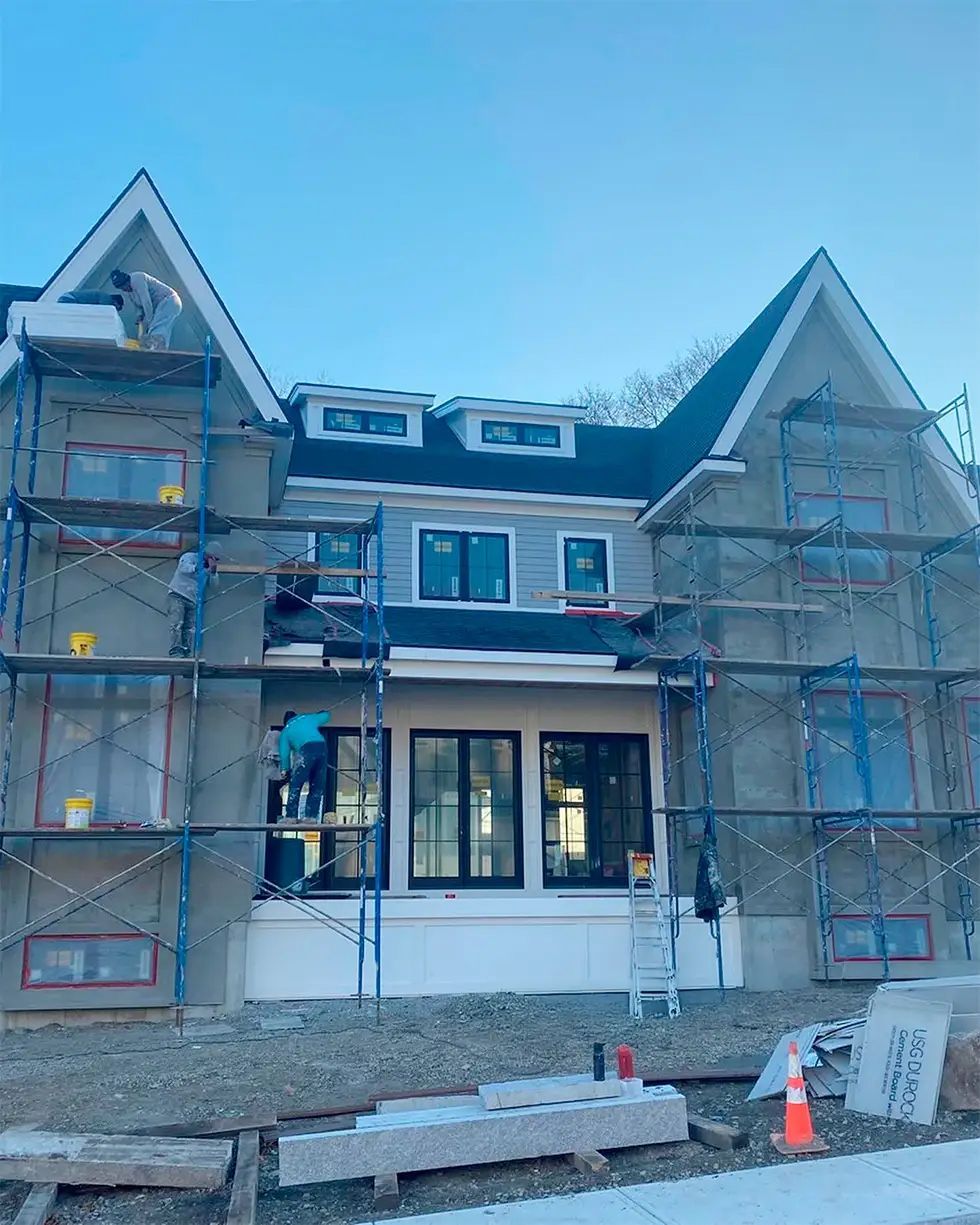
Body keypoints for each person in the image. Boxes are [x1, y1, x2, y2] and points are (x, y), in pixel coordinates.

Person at [167, 543, 221, 657]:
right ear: (207, 554)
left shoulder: (209, 568)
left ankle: (185, 651)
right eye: (212, 558)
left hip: (192, 599)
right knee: (177, 623)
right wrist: (198, 567)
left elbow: (214, 586)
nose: (213, 561)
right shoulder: (190, 557)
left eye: (216, 559)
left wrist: (213, 572)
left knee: (189, 628)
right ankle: (176, 650)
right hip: (178, 594)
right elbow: (183, 568)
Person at [279, 709, 332, 822]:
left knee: (296, 784)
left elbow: (284, 754)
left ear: (285, 722)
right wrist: (323, 712)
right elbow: (326, 716)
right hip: (322, 748)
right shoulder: (308, 718)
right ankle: (311, 817)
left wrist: (285, 769)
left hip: (306, 750)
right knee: (316, 784)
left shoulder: (286, 731)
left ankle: (291, 817)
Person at [110, 269, 182, 350]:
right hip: (161, 305)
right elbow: (137, 305)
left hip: (168, 301)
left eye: (124, 286)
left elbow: (146, 302)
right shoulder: (128, 291)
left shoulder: (137, 278)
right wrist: (139, 315)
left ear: (127, 280)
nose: (125, 289)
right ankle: (156, 348)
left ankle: (156, 350)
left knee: (156, 328)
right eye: (122, 288)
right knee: (157, 329)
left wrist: (148, 322)